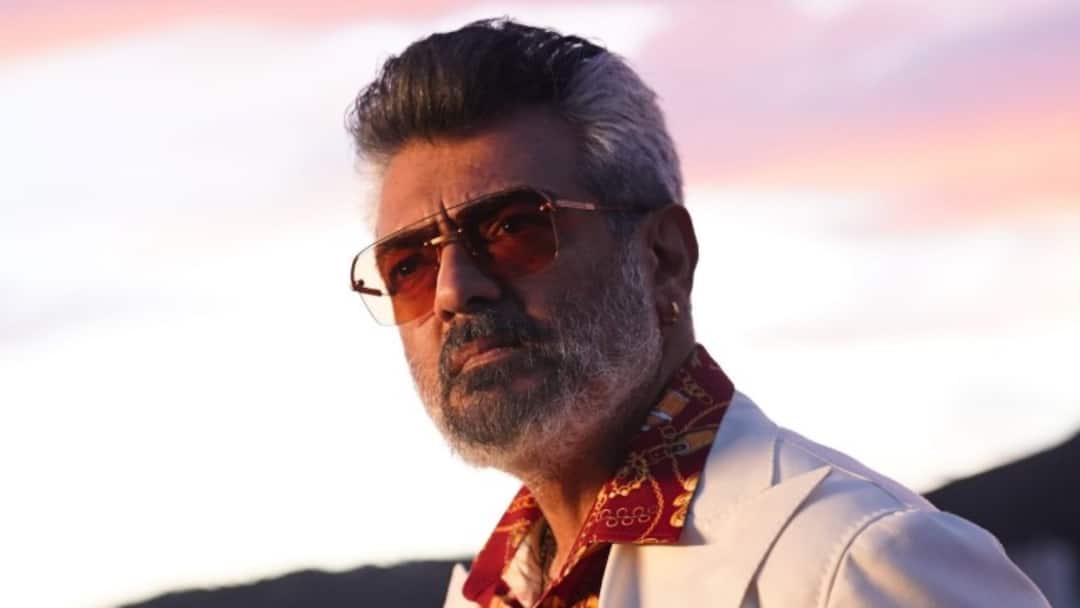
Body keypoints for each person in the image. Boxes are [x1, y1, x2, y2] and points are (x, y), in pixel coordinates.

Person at [344, 18, 1050, 608]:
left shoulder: (858, 562)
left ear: (663, 258)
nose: (453, 291)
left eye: (513, 229)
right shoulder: (499, 593)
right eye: (409, 267)